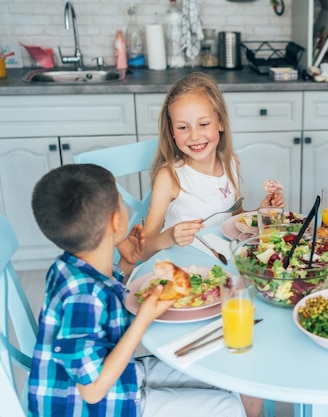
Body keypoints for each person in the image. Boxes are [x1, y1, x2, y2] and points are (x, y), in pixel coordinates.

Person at [28, 163, 254, 417]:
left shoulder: (71, 267)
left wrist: (127, 263)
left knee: (218, 373)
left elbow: (105, 303)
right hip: (93, 406)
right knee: (229, 406)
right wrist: (144, 319)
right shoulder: (82, 297)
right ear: (117, 221)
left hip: (118, 377)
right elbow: (92, 390)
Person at [142, 72, 284, 260]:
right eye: (183, 127)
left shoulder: (231, 163)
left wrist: (262, 213)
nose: (194, 136)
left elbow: (234, 219)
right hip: (181, 269)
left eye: (203, 124)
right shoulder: (169, 177)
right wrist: (169, 237)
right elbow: (144, 249)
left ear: (221, 123)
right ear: (172, 131)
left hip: (222, 263)